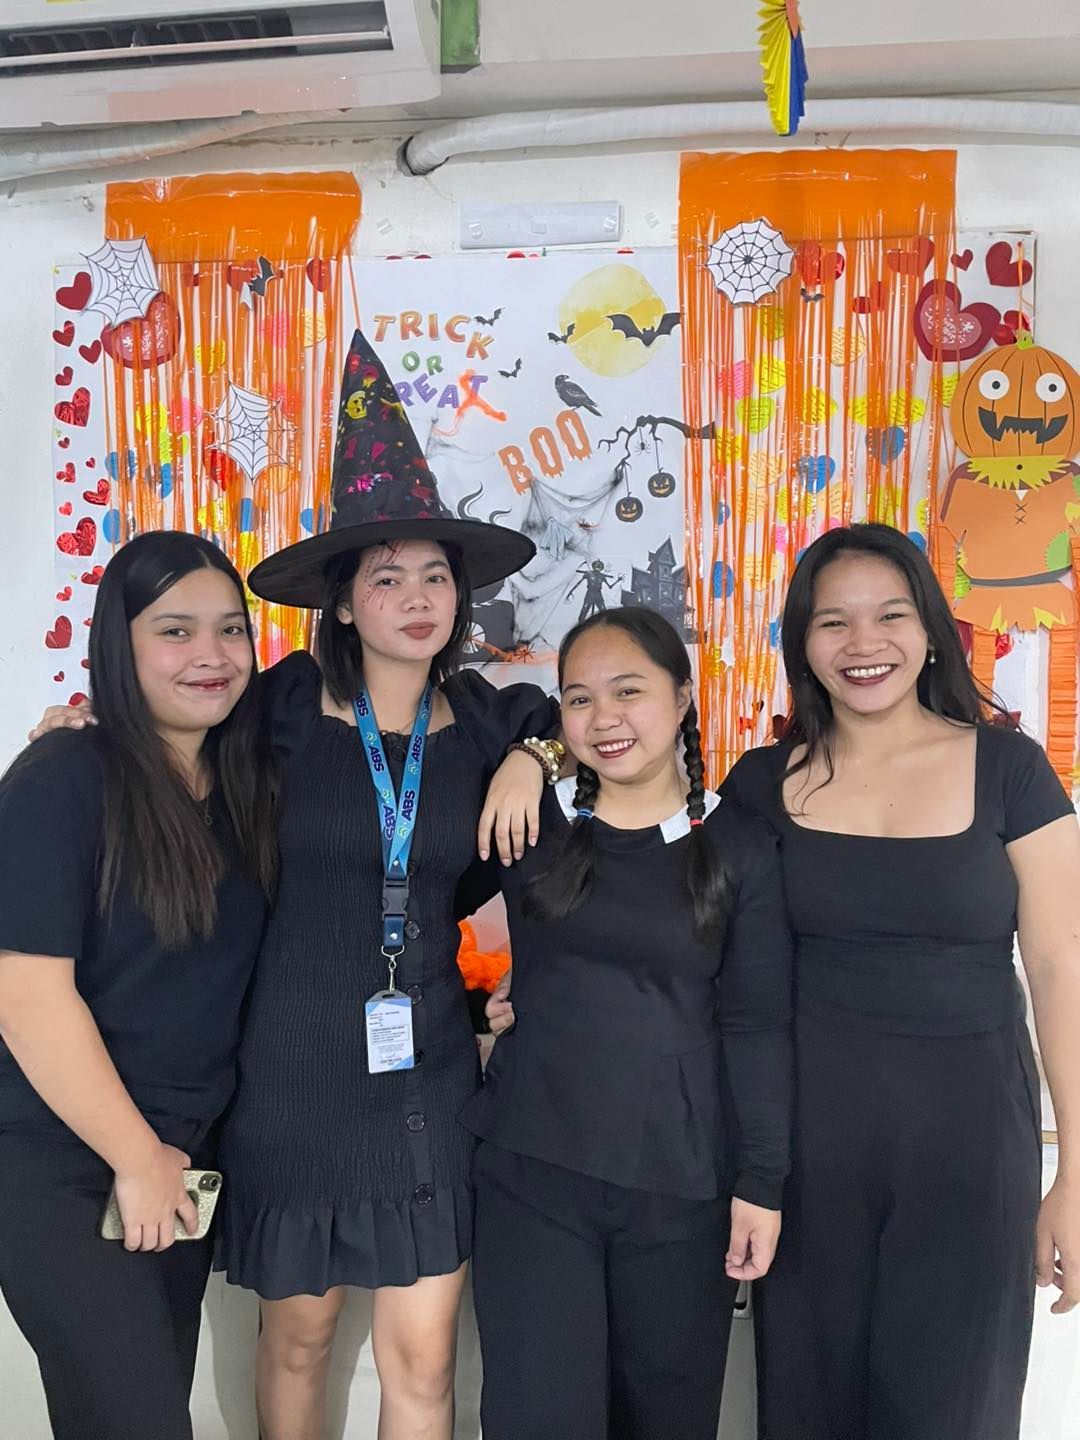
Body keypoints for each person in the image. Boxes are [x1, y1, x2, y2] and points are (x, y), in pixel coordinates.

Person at [215, 331, 553, 1440]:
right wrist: (75, 729)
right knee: (301, 1341)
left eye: (436, 575)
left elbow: (592, 737)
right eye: (388, 576)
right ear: (345, 601)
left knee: (422, 1358)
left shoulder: (496, 719)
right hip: (293, 1073)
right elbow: (162, 754)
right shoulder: (272, 707)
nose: (418, 595)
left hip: (430, 1081)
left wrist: (533, 758)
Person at [720, 522, 1080, 1440]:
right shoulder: (763, 783)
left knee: (951, 1414)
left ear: (931, 631)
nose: (863, 643)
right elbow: (685, 936)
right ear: (800, 641)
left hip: (971, 1157)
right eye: (832, 622)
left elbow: (1059, 966)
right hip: (805, 1163)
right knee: (806, 1412)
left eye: (890, 615)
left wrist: (1075, 1175)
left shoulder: (1011, 770)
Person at [465, 606, 794, 1440]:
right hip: (531, 1176)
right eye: (578, 700)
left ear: (683, 699)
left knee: (666, 1420)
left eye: (629, 691)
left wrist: (761, 1185)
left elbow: (758, 1026)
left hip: (680, 1191)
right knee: (536, 1419)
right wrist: (525, 754)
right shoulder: (530, 821)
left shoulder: (739, 844)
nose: (603, 718)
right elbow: (403, 903)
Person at [0, 532, 277, 1440]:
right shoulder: (64, 776)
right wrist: (136, 1158)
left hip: (180, 1160)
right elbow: (28, 996)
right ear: (117, 648)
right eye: (174, 631)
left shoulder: (240, 782)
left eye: (231, 631)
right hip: (65, 1163)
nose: (210, 656)